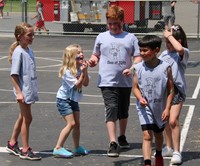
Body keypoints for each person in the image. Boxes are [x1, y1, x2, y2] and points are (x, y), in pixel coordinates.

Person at [88, 5, 142, 157]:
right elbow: (96, 55)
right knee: (111, 108)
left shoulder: (130, 38)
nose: (113, 26)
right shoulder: (101, 37)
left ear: (123, 21)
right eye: (110, 23)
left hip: (125, 81)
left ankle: (122, 136)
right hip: (107, 81)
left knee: (123, 111)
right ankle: (113, 142)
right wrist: (93, 60)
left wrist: (132, 68)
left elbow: (138, 57)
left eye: (116, 23)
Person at [133, 35, 174, 166]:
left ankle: (159, 154)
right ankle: (147, 163)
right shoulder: (138, 68)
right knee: (147, 135)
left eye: (145, 50)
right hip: (144, 107)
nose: (142, 53)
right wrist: (140, 98)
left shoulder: (165, 68)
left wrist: (167, 108)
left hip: (159, 107)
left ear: (156, 50)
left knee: (158, 133)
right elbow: (135, 88)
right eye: (141, 50)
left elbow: (171, 90)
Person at [6, 22, 41, 160]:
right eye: (29, 35)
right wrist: (19, 92)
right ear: (19, 36)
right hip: (23, 91)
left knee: (23, 116)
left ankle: (12, 142)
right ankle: (25, 149)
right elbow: (14, 75)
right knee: (28, 118)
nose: (32, 37)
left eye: (33, 35)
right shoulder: (18, 52)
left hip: (29, 89)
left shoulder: (29, 51)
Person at [159, 24, 189, 165]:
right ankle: (169, 147)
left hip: (177, 90)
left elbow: (179, 48)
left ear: (178, 41)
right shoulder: (164, 54)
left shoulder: (182, 53)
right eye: (166, 42)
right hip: (164, 90)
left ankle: (177, 151)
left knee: (173, 121)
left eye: (169, 42)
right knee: (165, 120)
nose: (168, 44)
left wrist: (170, 36)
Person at [53, 44, 89, 158]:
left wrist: (85, 71)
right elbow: (77, 85)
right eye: (78, 53)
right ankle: (58, 148)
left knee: (77, 124)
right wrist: (82, 73)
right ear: (71, 57)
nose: (81, 54)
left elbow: (86, 83)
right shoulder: (66, 71)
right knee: (71, 123)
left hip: (73, 100)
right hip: (63, 100)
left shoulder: (80, 68)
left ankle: (77, 147)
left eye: (81, 52)